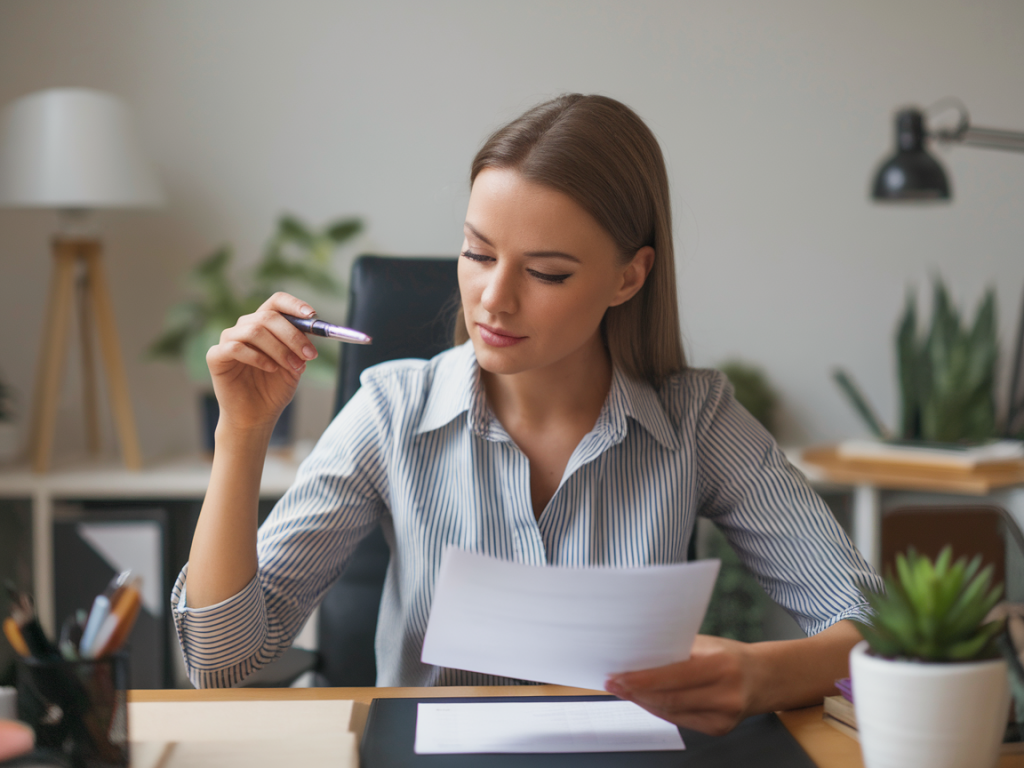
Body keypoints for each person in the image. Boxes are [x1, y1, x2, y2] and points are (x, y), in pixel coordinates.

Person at [173, 93, 881, 736]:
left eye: (546, 272)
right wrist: (242, 432)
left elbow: (880, 628)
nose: (494, 299)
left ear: (629, 276)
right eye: (477, 253)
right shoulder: (391, 411)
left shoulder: (697, 420)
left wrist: (763, 675)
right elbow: (221, 663)